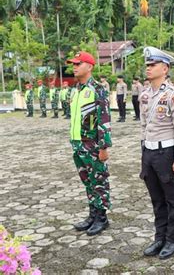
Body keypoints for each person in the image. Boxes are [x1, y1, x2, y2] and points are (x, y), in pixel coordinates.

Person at [139, 46, 174, 259]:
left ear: (165, 68)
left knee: (172, 200)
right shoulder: (145, 93)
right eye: (147, 65)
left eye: (153, 65)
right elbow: (143, 125)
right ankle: (160, 238)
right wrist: (143, 152)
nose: (148, 68)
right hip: (149, 153)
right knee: (156, 199)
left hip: (166, 153)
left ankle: (172, 240)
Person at [67, 51, 112, 236]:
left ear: (90, 66)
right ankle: (92, 214)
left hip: (92, 144)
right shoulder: (76, 89)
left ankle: (102, 217)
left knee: (99, 181)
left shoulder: (97, 89)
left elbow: (104, 119)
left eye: (78, 64)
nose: (74, 67)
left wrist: (103, 146)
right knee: (88, 182)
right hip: (78, 143)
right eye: (74, 64)